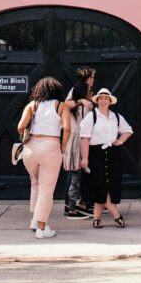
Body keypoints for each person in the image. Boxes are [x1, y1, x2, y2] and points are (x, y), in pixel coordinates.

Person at [17, 77, 70, 240]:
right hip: (50, 145)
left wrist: (27, 136)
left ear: (39, 90)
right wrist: (63, 145)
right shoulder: (61, 106)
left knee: (35, 183)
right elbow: (67, 128)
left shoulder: (32, 105)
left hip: (31, 148)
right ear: (57, 90)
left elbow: (20, 127)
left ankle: (34, 221)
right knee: (46, 189)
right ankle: (42, 228)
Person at [80, 87, 133, 228]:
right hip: (95, 154)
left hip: (112, 154)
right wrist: (85, 158)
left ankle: (96, 219)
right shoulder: (92, 116)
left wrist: (120, 141)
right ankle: (116, 216)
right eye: (100, 98)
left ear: (110, 101)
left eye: (106, 98)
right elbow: (84, 139)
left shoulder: (116, 117)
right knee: (100, 184)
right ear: (97, 101)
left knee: (108, 185)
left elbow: (128, 131)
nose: (103, 101)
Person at [62, 80, 92, 219]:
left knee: (75, 176)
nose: (92, 94)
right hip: (78, 144)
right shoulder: (84, 108)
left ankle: (70, 207)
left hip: (70, 143)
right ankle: (72, 210)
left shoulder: (70, 107)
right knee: (76, 177)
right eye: (90, 91)